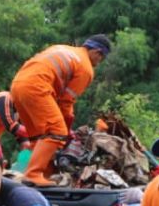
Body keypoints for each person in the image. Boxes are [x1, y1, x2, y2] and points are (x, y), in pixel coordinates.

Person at [9, 35, 111, 186]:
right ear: (97, 52)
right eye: (101, 59)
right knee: (56, 132)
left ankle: (44, 174)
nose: (98, 63)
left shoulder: (64, 49)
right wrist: (66, 131)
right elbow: (66, 102)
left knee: (39, 137)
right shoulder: (86, 68)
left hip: (17, 85)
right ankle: (33, 175)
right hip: (37, 87)